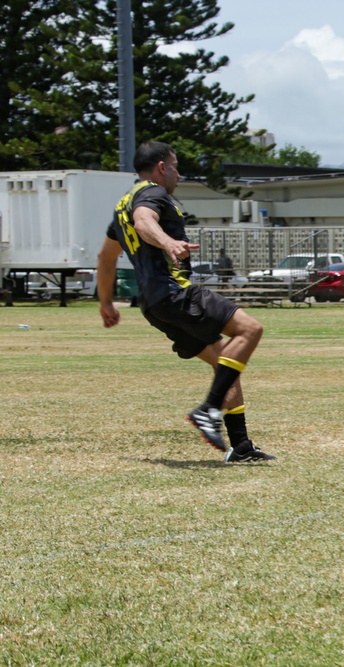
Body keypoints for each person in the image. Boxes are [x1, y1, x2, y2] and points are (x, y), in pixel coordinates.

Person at [96, 140, 276, 462]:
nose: (178, 173)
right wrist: (168, 242)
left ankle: (241, 447)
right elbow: (144, 221)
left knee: (226, 363)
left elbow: (105, 258)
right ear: (162, 167)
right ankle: (208, 410)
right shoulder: (152, 193)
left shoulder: (120, 207)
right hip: (175, 292)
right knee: (250, 330)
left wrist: (106, 302)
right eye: (175, 166)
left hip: (154, 305)